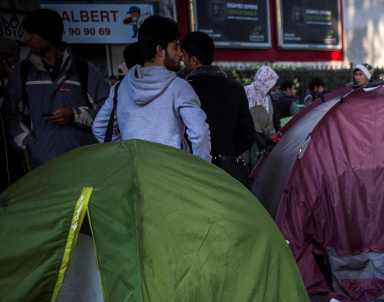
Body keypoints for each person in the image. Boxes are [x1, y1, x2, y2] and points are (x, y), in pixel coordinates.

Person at [3, 8, 109, 169]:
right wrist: (30, 145)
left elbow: (108, 111)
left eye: (32, 33)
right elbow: (10, 116)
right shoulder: (22, 73)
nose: (26, 39)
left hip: (84, 164)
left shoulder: (84, 70)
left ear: (49, 35)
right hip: (41, 167)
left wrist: (75, 115)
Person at [93, 16, 210, 161]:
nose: (180, 53)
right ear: (160, 50)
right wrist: (201, 170)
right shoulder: (179, 88)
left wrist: (127, 152)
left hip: (135, 172)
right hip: (171, 174)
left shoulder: (120, 88)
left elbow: (100, 128)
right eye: (175, 46)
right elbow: (200, 133)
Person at [181, 31, 255, 182]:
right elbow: (248, 134)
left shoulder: (184, 89)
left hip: (193, 171)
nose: (183, 62)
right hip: (228, 172)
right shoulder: (235, 87)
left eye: (184, 57)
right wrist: (227, 153)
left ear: (193, 60)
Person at [244, 65, 278, 165]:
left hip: (264, 143)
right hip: (248, 143)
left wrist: (274, 136)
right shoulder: (246, 92)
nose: (272, 87)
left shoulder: (267, 97)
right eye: (271, 84)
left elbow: (270, 120)